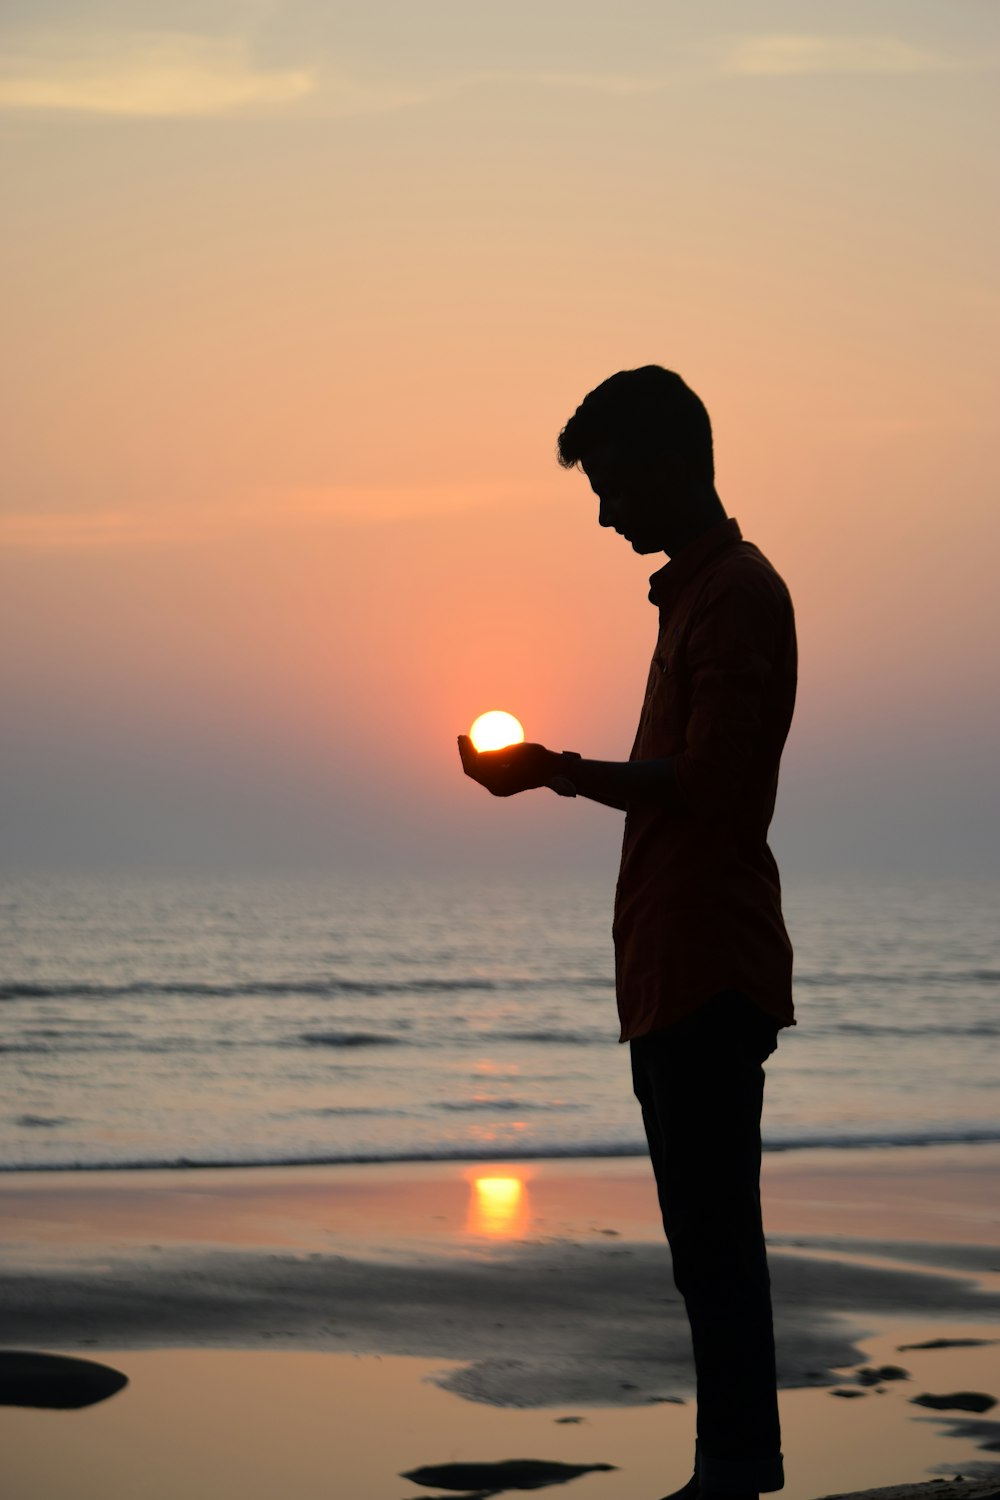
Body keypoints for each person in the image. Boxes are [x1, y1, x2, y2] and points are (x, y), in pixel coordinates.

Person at [457, 365, 797, 1500]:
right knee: (702, 1245)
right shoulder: (694, 597)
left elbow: (714, 783)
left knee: (713, 1243)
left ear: (665, 464)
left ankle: (736, 1469)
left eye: (608, 484)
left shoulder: (735, 594)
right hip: (675, 966)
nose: (602, 513)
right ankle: (731, 1465)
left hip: (707, 963)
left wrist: (556, 771)